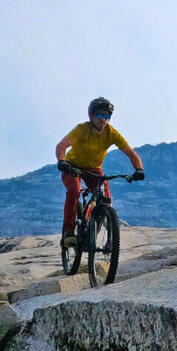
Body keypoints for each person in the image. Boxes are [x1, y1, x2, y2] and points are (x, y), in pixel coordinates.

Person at [55, 97, 144, 249]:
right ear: (91, 115)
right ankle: (68, 233)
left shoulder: (112, 133)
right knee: (74, 191)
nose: (103, 119)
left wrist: (139, 169)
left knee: (106, 200)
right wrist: (62, 161)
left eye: (107, 116)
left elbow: (131, 153)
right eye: (99, 115)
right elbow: (62, 145)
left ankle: (92, 235)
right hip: (72, 166)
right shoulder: (82, 129)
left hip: (94, 169)